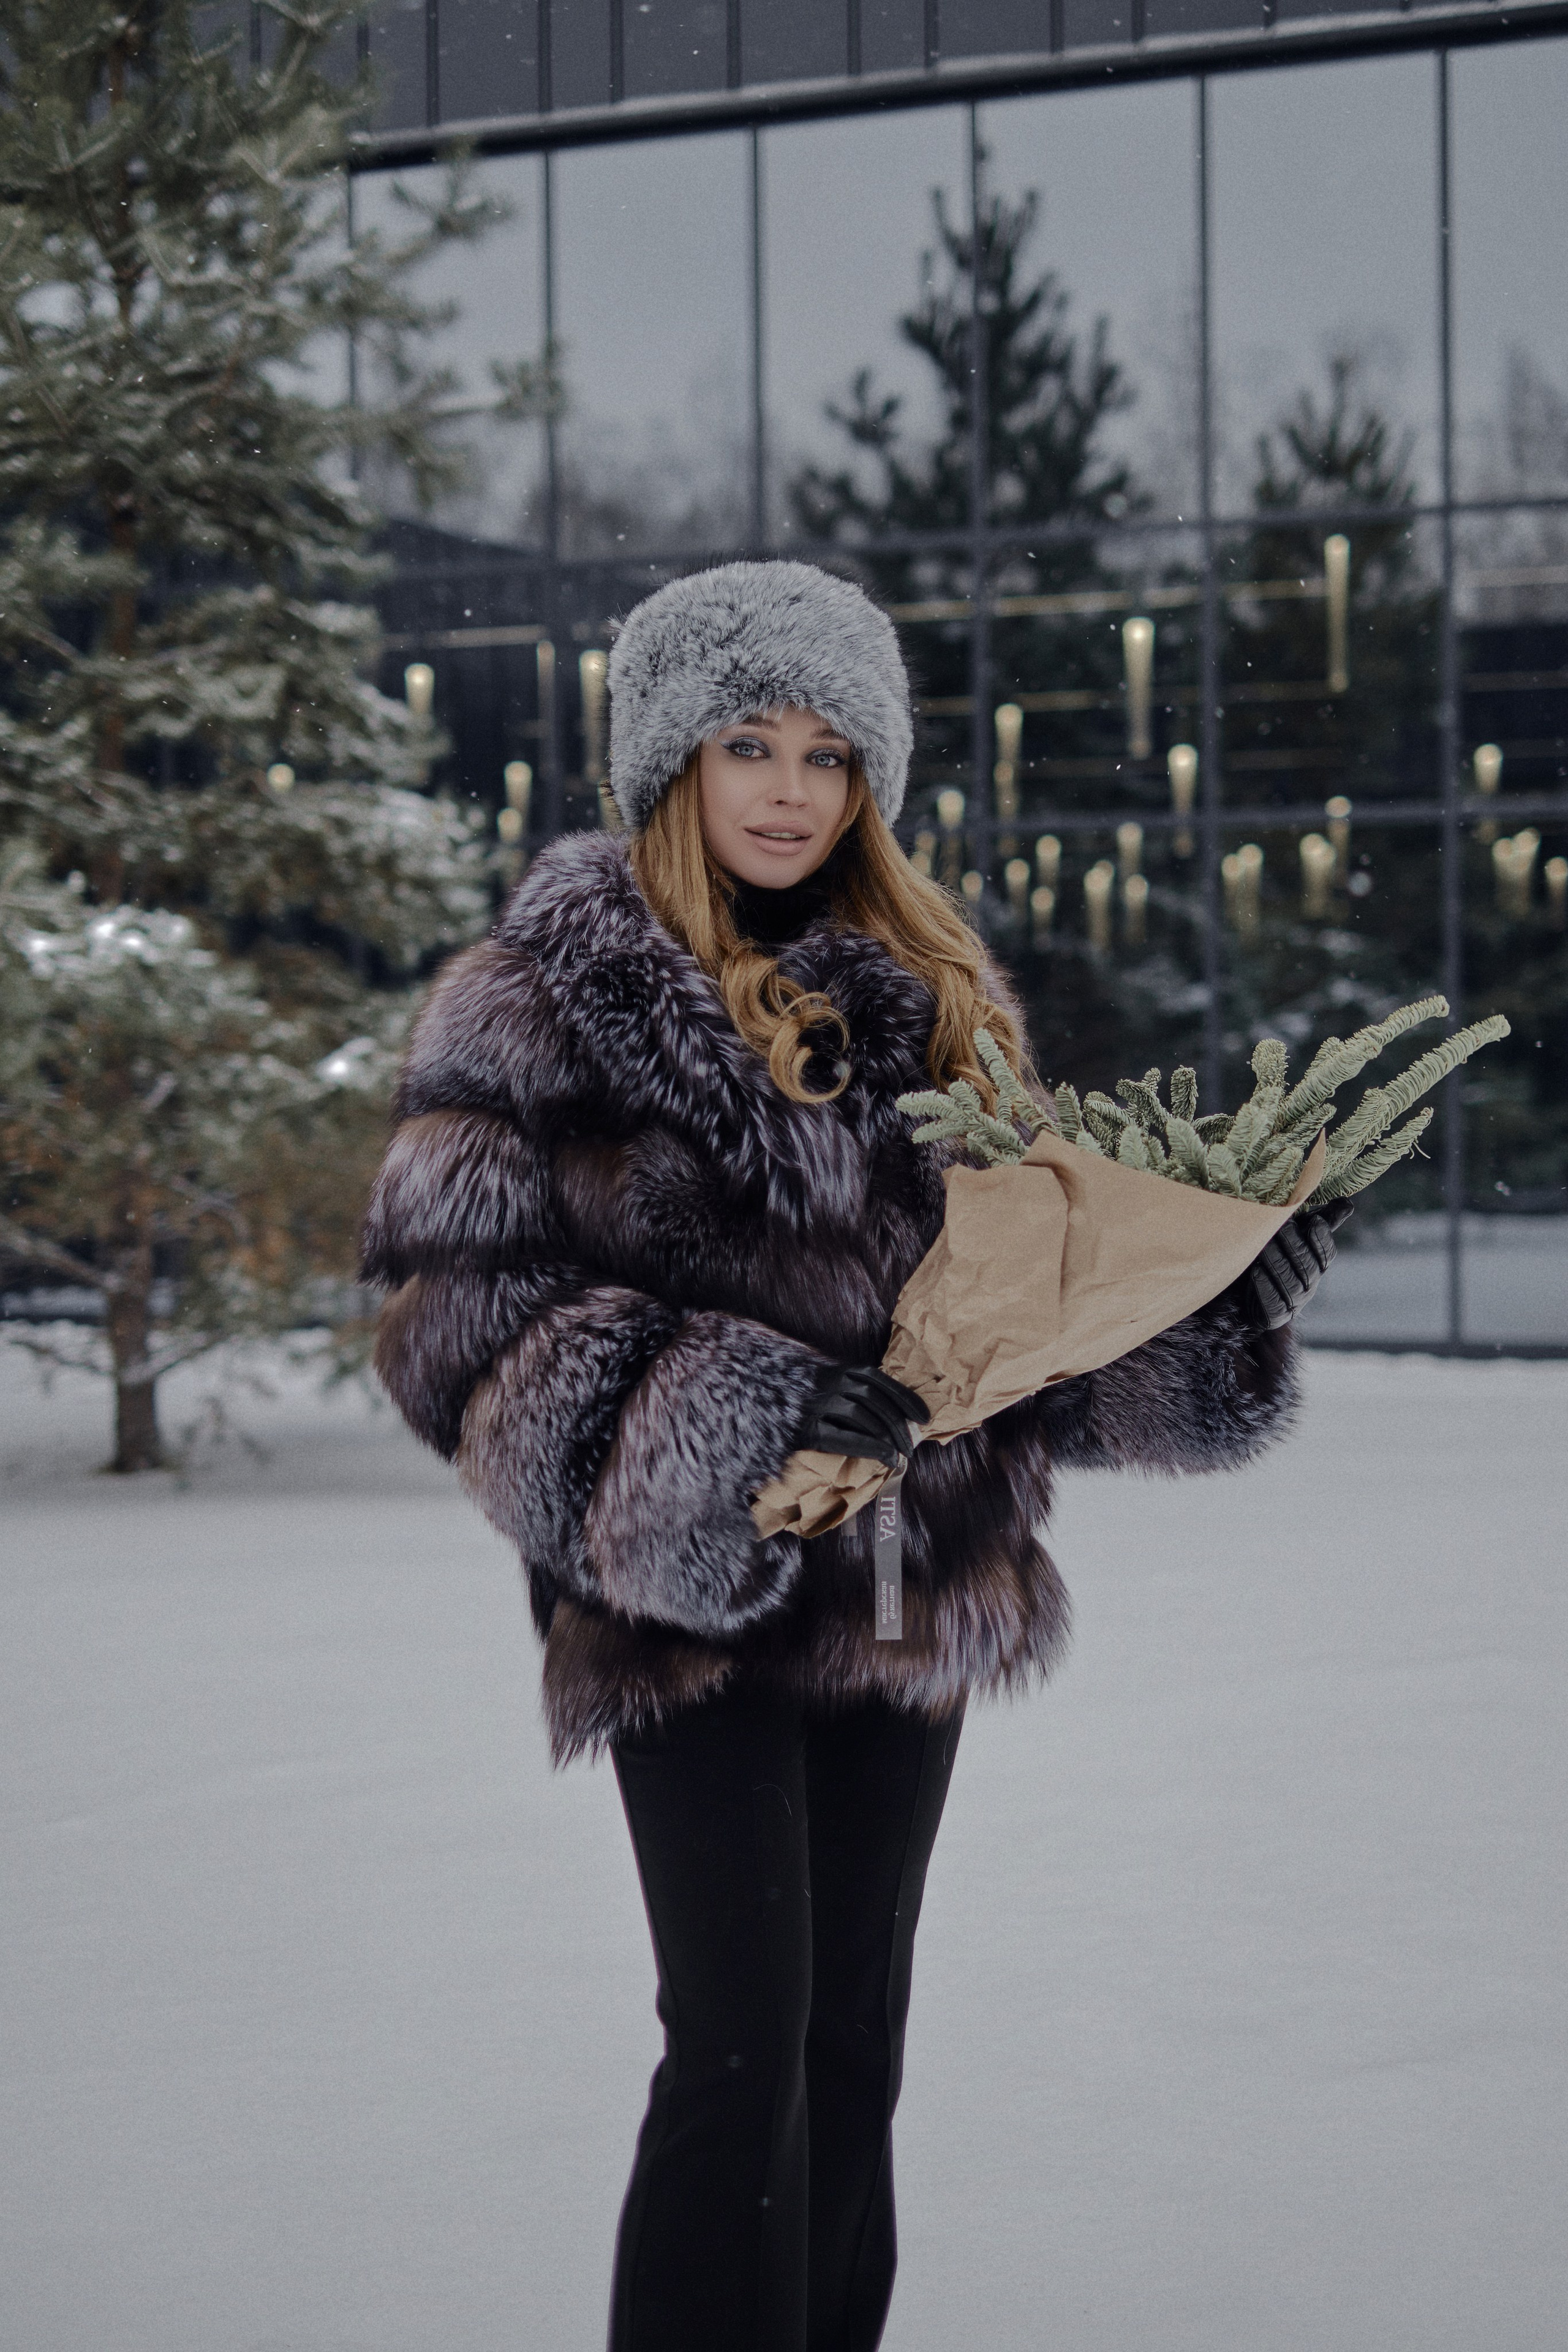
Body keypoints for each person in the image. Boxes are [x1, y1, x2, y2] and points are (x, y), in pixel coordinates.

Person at [360, 560, 1344, 2352]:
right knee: (740, 2036)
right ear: (671, 757)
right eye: (750, 740)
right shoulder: (540, 999)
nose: (791, 787)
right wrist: (733, 1409)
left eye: (830, 750)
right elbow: (453, 1317)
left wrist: (1209, 1306)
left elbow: (1019, 1327)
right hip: (685, 1590)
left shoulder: (934, 997)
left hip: (911, 1586)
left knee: (853, 2042)